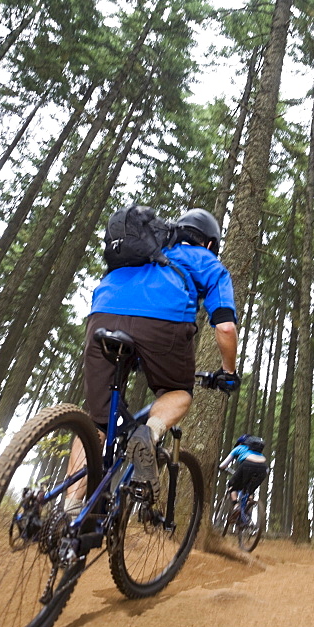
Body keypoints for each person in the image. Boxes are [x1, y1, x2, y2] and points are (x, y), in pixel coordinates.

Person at [67, 207, 240, 506]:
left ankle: (68, 507)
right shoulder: (207, 261)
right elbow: (225, 327)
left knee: (99, 422)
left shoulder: (148, 250)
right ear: (210, 243)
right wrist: (228, 371)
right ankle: (146, 434)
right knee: (178, 392)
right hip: (162, 322)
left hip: (103, 313)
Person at [219, 433, 269, 515]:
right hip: (263, 468)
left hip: (247, 466)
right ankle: (247, 511)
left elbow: (223, 465)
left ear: (240, 443)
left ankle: (236, 506)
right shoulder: (256, 451)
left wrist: (221, 468)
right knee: (249, 490)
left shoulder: (238, 448)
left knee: (232, 485)